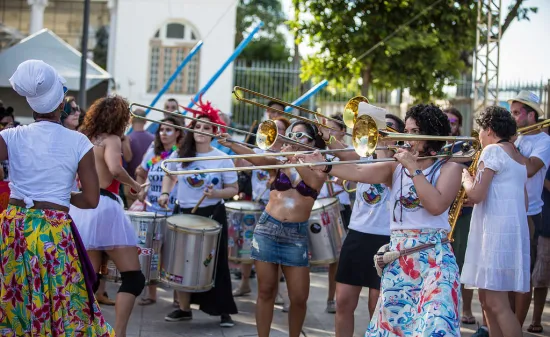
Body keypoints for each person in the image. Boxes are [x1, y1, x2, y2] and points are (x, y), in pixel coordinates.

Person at [300, 104, 463, 336]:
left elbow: (436, 205)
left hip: (434, 261)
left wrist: (413, 169)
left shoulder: (450, 168)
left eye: (414, 131)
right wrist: (324, 164)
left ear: (431, 134)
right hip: (400, 259)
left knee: (435, 327)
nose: (405, 137)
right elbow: (357, 171)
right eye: (405, 130)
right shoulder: (394, 168)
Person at [0, 59, 114, 335]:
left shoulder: (10, 136)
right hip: (52, 231)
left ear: (31, 104)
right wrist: (65, 195)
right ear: (61, 104)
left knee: (14, 302)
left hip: (13, 227)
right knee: (59, 302)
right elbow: (91, 199)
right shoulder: (78, 142)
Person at [219, 120, 327, 337]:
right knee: (266, 291)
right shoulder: (280, 159)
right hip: (268, 229)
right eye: (291, 135)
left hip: (296, 235)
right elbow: (256, 157)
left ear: (311, 140)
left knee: (298, 297)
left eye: (299, 136)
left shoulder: (320, 162)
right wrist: (231, 143)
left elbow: (313, 181)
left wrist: (291, 159)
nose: (292, 140)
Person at [320, 113, 405, 337]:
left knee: (377, 307)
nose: (382, 132)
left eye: (388, 128)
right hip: (358, 234)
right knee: (343, 302)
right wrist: (328, 136)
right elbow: (341, 150)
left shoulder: (401, 162)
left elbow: (375, 169)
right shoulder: (363, 154)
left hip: (386, 238)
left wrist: (385, 147)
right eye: (380, 128)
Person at [70, 95, 145, 337]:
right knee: (133, 278)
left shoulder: (82, 137)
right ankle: (119, 333)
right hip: (105, 207)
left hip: (82, 206)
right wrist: (134, 184)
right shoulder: (111, 139)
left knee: (88, 280)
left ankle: (83, 330)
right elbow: (114, 168)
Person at [160, 103, 238, 328]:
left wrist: (217, 193)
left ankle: (224, 310)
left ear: (214, 133)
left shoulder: (222, 158)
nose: (201, 131)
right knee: (182, 261)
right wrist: (165, 193)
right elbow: (169, 175)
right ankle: (184, 309)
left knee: (216, 262)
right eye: (197, 126)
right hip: (184, 212)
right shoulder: (181, 154)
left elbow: (233, 190)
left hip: (212, 213)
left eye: (206, 127)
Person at [461, 106, 528, 337]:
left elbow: (477, 194)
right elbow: (523, 201)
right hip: (511, 232)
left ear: (489, 129)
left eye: (480, 130)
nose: (479, 136)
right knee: (489, 301)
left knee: (497, 304)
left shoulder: (492, 152)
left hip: (495, 234)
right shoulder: (518, 156)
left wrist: (466, 180)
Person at [232, 116, 291, 310]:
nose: (277, 132)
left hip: (279, 208)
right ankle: (245, 283)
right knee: (250, 244)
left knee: (277, 251)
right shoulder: (258, 150)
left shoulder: (288, 155)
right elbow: (239, 166)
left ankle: (277, 292)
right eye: (273, 128)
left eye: (281, 129)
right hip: (257, 204)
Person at [508, 90, 550, 328]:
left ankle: (516, 327)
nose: (512, 117)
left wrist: (509, 147)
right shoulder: (517, 138)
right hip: (509, 209)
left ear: (531, 115)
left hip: (530, 213)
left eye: (516, 113)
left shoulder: (544, 141)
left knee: (523, 275)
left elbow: (531, 168)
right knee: (507, 272)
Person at [135, 117, 182, 306]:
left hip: (172, 213)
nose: (164, 133)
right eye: (161, 129)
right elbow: (141, 170)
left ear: (178, 133)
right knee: (152, 254)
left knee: (173, 255)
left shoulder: (180, 154)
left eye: (169, 130)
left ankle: (178, 299)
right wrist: (142, 188)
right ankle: (152, 293)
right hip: (152, 211)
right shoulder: (153, 153)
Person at [443, 107, 478, 326]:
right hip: (438, 211)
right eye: (446, 121)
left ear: (460, 124)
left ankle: (465, 308)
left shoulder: (467, 147)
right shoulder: (434, 145)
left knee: (463, 261)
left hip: (462, 212)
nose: (450, 124)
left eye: (453, 121)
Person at [125, 108, 155, 206]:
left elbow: (126, 161)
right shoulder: (154, 140)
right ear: (145, 121)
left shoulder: (127, 139)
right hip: (150, 185)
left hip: (130, 185)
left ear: (131, 120)